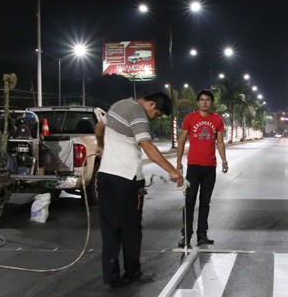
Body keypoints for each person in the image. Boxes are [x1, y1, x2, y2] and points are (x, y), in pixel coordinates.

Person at [94, 92, 184, 287]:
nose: (155, 118)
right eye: (157, 114)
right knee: (131, 229)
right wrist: (172, 171)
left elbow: (99, 126)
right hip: (127, 180)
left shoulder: (118, 104)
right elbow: (147, 147)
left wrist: (101, 144)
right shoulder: (138, 113)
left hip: (105, 177)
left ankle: (111, 276)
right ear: (151, 104)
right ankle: (133, 273)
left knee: (110, 228)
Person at [176, 89, 228, 248]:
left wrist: (224, 160)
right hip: (194, 166)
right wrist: (179, 161)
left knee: (205, 202)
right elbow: (182, 139)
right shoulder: (190, 118)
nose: (205, 102)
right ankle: (186, 236)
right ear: (198, 102)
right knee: (189, 201)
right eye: (202, 100)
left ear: (211, 102)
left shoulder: (217, 119)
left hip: (210, 168)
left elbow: (219, 142)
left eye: (208, 100)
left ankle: (202, 235)